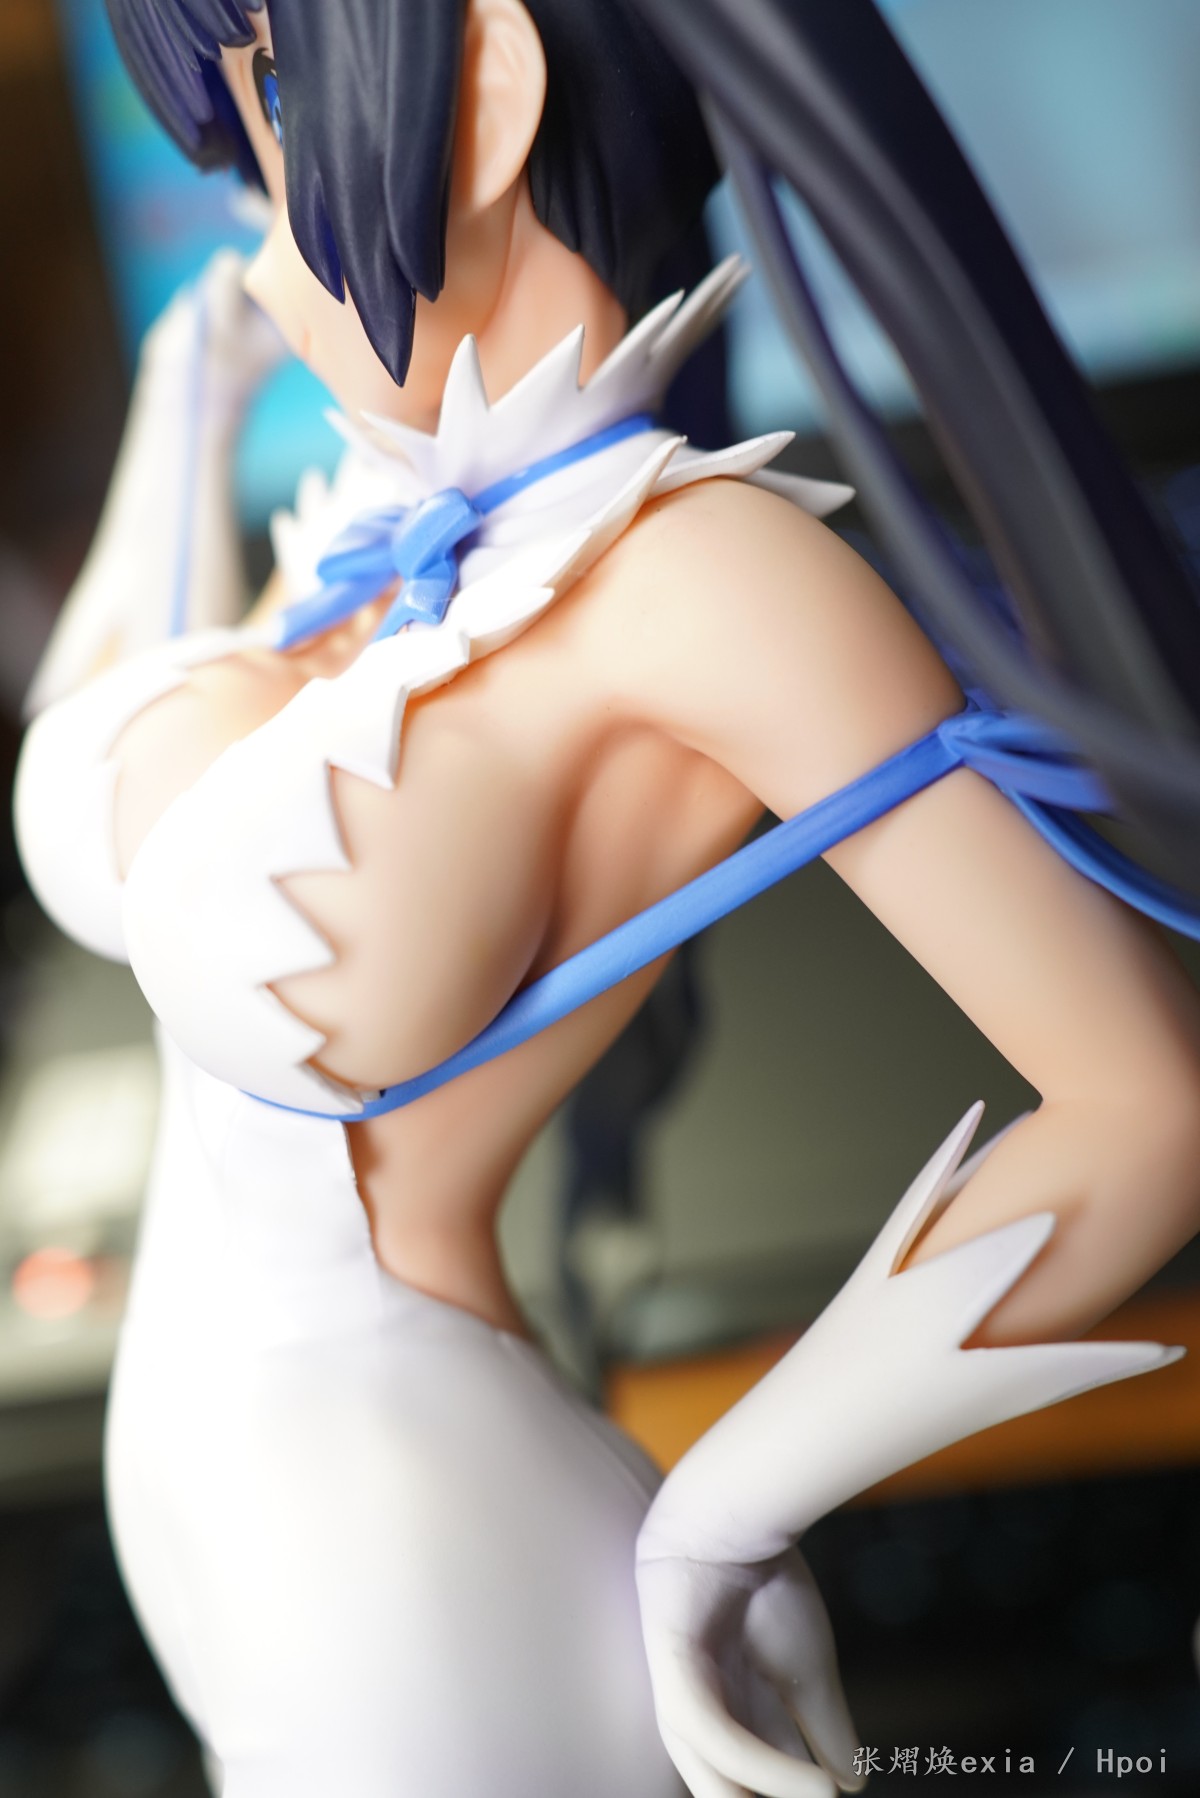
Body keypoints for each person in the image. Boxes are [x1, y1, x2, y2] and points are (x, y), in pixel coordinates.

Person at [13, 2, 1200, 1794]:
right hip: (212, 1538)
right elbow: (94, 720)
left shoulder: (700, 581)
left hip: (414, 1585)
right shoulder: (386, 511)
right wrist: (187, 408)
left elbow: (1146, 1100)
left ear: (485, 93)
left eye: (269, 115)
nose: (256, 263)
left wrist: (727, 1506)